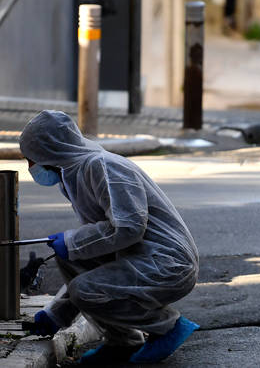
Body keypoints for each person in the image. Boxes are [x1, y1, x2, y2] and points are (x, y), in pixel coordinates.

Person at [19, 110, 200, 365]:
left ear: (49, 151)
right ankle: (122, 341)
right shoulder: (76, 173)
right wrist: (56, 314)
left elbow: (128, 228)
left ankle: (167, 327)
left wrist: (72, 242)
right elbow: (100, 248)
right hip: (140, 257)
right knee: (68, 258)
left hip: (167, 264)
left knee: (85, 288)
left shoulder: (104, 166)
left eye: (30, 160)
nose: (30, 167)